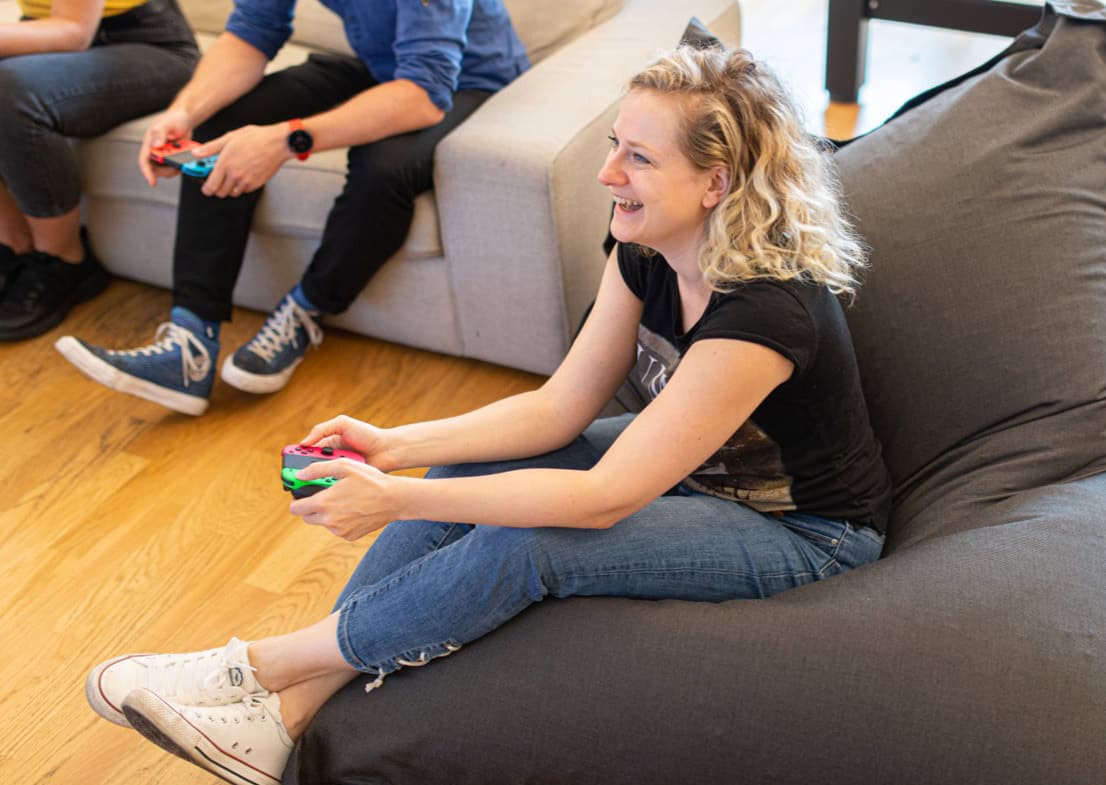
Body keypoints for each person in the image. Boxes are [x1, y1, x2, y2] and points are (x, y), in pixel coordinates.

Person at [83, 45, 893, 785]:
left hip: (802, 529)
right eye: (616, 142)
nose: (608, 172)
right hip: (698, 469)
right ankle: (290, 718)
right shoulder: (644, 249)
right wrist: (393, 447)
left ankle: (252, 671)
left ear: (715, 185)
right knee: (472, 469)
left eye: (639, 157)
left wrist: (395, 499)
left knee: (531, 543)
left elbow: (601, 499)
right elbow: (558, 407)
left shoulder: (767, 312)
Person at [54, 0, 530, 416]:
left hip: (470, 82)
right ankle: (188, 345)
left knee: (382, 170)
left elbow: (425, 95)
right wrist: (185, 113)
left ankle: (305, 312)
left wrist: (286, 141)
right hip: (381, 67)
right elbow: (251, 33)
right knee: (225, 125)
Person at [0, 0, 198, 341]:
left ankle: (64, 260)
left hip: (144, 44)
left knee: (8, 93)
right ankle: (13, 247)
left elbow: (75, 31)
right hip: (44, 31)